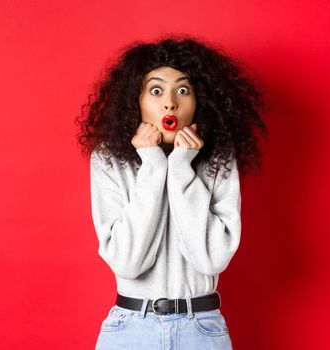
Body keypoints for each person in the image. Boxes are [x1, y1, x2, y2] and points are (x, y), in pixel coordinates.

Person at [75, 34, 269, 349]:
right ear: (135, 101)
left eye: (183, 90)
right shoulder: (109, 159)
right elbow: (128, 263)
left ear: (199, 101)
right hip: (130, 329)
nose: (170, 102)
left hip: (202, 329)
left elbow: (211, 259)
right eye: (155, 90)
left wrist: (181, 168)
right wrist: (152, 165)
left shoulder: (218, 159)